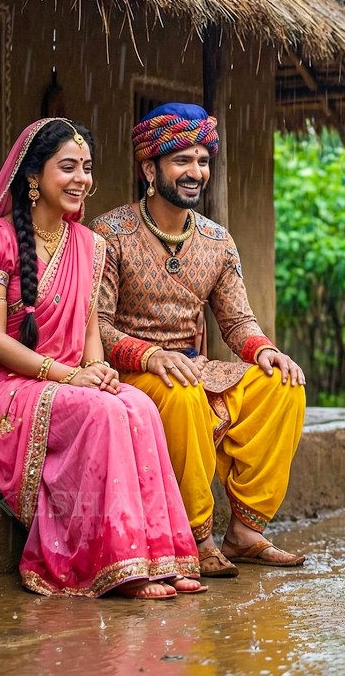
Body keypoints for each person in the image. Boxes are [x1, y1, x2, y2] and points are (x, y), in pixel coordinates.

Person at [0, 118, 202, 599]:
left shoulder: (90, 245)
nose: (81, 179)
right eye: (67, 167)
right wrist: (69, 376)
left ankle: (157, 555)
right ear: (33, 177)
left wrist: (95, 369)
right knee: (105, 413)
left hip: (65, 379)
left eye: (86, 168)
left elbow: (89, 328)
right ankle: (108, 562)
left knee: (140, 408)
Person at [90, 103, 307, 578]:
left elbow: (237, 322)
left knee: (284, 386)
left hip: (194, 367)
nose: (196, 172)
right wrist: (149, 355)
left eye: (203, 160)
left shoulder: (218, 240)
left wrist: (265, 350)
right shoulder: (108, 234)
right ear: (150, 167)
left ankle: (246, 533)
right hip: (131, 373)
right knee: (183, 393)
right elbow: (96, 326)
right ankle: (197, 537)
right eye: (182, 160)